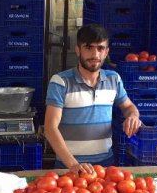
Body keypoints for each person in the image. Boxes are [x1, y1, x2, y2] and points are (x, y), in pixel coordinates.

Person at [44, 24, 141, 174]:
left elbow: (128, 107)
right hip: (69, 169)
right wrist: (73, 165)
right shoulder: (60, 82)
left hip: (106, 167)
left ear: (106, 52)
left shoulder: (113, 79)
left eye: (100, 48)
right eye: (89, 47)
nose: (95, 54)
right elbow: (50, 128)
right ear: (78, 50)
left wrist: (133, 116)